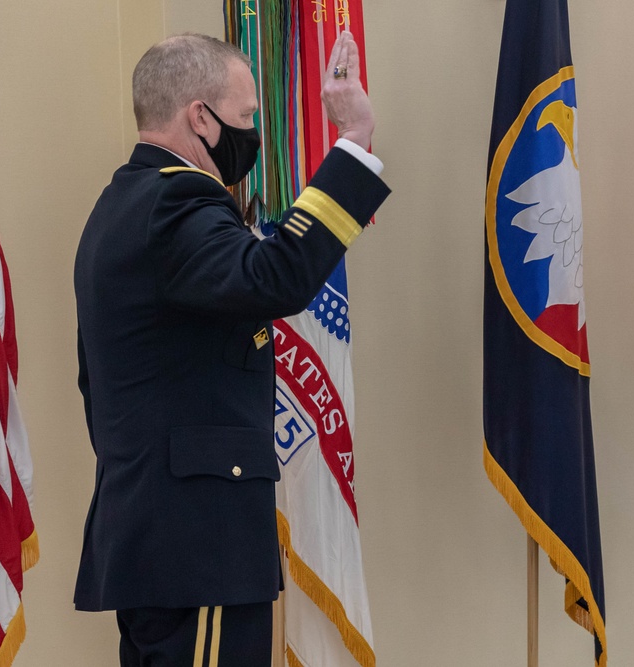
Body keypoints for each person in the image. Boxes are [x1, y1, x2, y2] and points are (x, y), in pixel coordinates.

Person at [73, 32, 389, 666]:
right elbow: (276, 278)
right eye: (245, 117)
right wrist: (352, 142)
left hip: (160, 542)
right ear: (200, 117)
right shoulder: (175, 201)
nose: (251, 132)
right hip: (199, 548)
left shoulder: (120, 205)